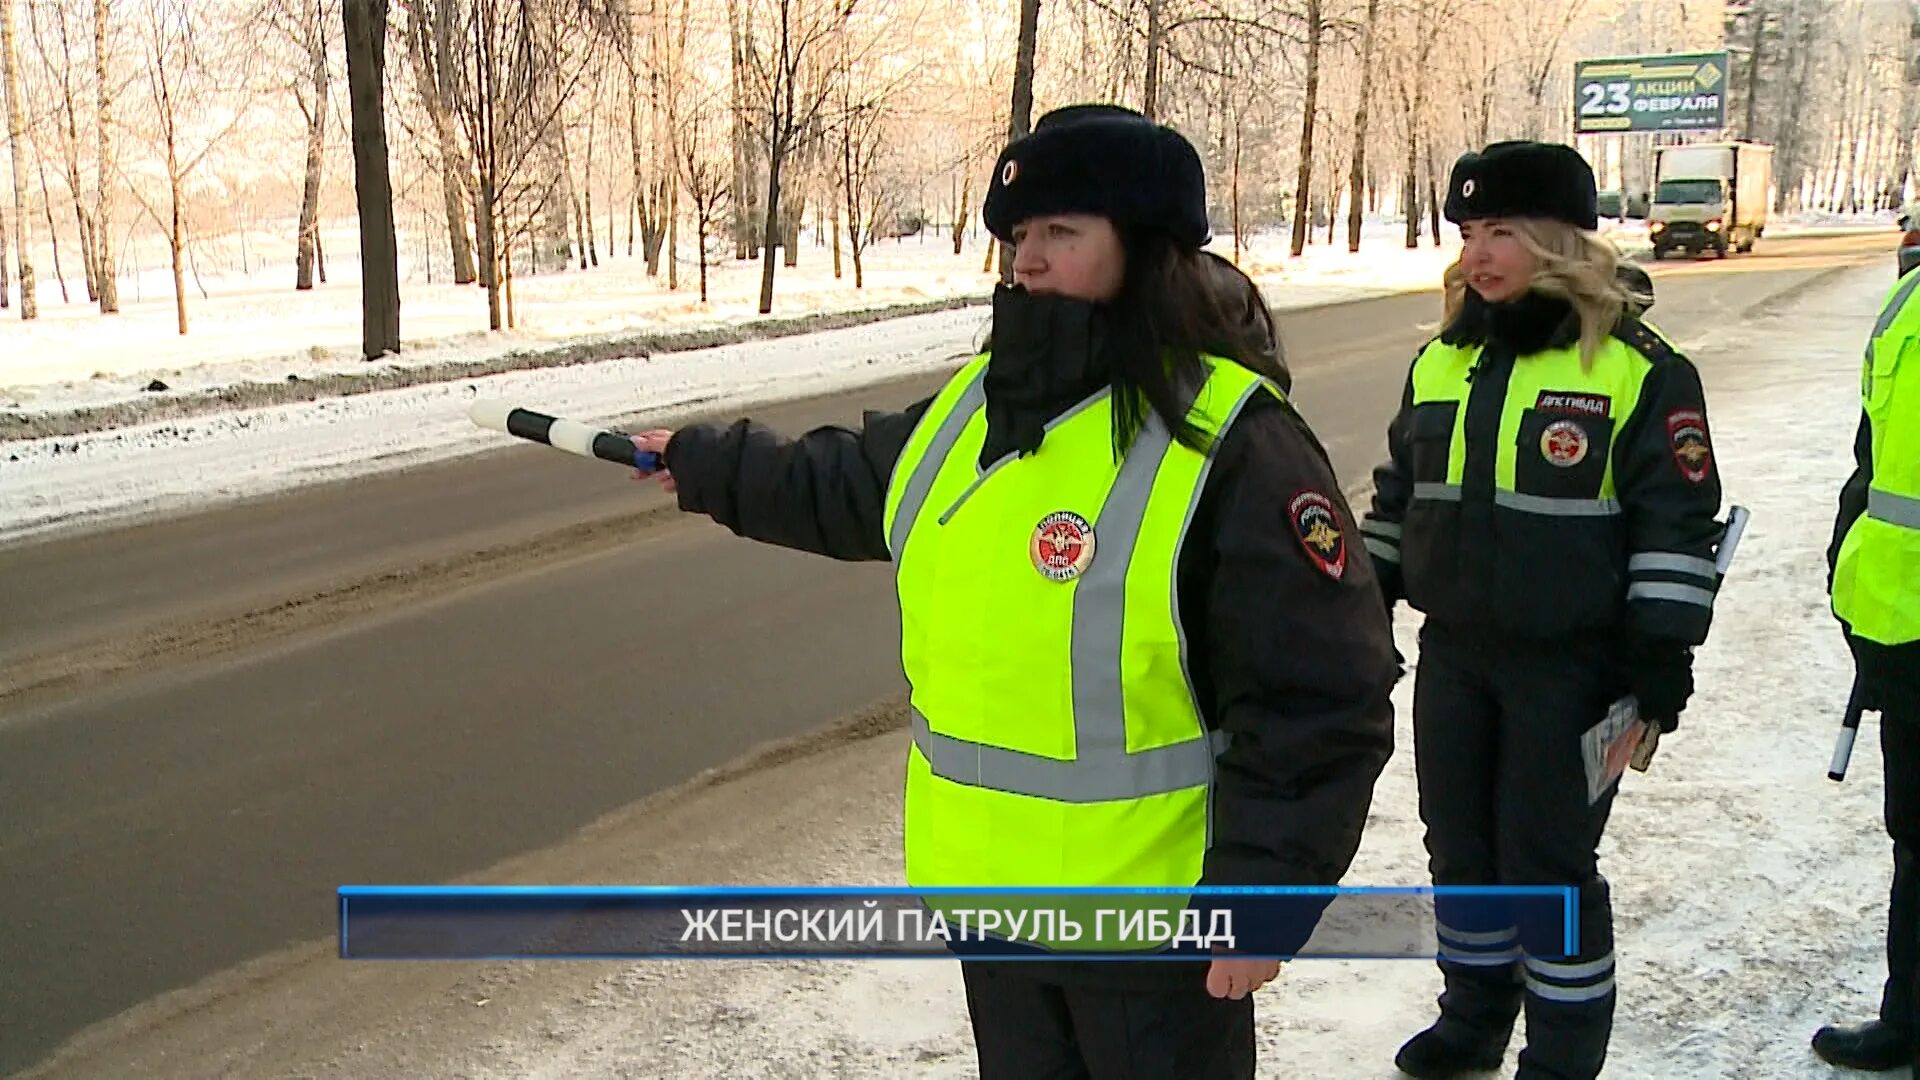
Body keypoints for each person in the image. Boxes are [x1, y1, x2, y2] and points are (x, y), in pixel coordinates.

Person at [631, 104, 1398, 1078]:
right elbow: (840, 484)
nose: (1027, 261)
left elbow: (1322, 694)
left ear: (1145, 247)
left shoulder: (1230, 440)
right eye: (1018, 237)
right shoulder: (972, 410)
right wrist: (704, 463)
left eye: (1061, 233)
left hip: (1151, 931)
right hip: (995, 912)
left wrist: (1262, 893)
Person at [1361, 141, 1726, 1080]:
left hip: (1572, 667)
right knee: (1463, 851)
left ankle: (1561, 1056)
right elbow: (1400, 500)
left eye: (1505, 233)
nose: (1479, 254)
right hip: (1458, 655)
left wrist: (1659, 654)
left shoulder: (1640, 369)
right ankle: (1475, 1016)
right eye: (1470, 232)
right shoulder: (1444, 360)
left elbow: (1676, 528)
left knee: (1546, 866)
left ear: (1563, 238)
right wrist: (1357, 601)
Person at [1813, 264, 1920, 1074]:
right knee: (1916, 839)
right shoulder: (1906, 301)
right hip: (1902, 626)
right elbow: (1874, 462)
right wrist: (1846, 567)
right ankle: (1909, 1018)